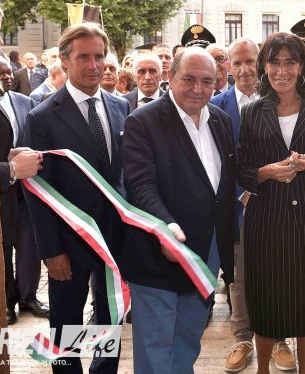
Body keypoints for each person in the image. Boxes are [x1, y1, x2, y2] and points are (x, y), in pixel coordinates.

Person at [121, 46, 236, 374]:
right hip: (158, 250)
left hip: (207, 252)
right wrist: (166, 226)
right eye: (189, 79)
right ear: (170, 78)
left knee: (188, 335)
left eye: (207, 81)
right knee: (155, 342)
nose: (198, 89)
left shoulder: (222, 121)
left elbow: (224, 185)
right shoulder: (142, 121)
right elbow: (141, 186)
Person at [24, 23, 130, 374]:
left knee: (109, 318)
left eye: (100, 56)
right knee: (66, 325)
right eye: (84, 57)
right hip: (68, 245)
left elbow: (123, 176)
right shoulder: (42, 117)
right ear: (65, 61)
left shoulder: (120, 107)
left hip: (114, 240)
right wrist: (51, 251)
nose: (94, 65)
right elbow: (37, 191)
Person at [238, 32, 305, 374]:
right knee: (266, 300)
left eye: (290, 62)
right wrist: (266, 173)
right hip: (266, 221)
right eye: (274, 62)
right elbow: (242, 170)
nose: (281, 70)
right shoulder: (251, 111)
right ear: (264, 66)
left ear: (302, 66)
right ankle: (263, 370)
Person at [210, 38, 297, 372]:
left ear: (260, 63)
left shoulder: (282, 100)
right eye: (238, 63)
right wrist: (241, 193)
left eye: (250, 61)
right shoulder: (215, 106)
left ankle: (279, 338)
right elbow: (216, 160)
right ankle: (243, 337)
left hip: (278, 204)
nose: (245, 69)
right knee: (240, 276)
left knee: (279, 272)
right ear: (228, 67)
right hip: (236, 206)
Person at [0, 0, 47, 326]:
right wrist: (9, 169)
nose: (0, 41)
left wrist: (8, 157)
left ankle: (23, 297)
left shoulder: (18, 101)